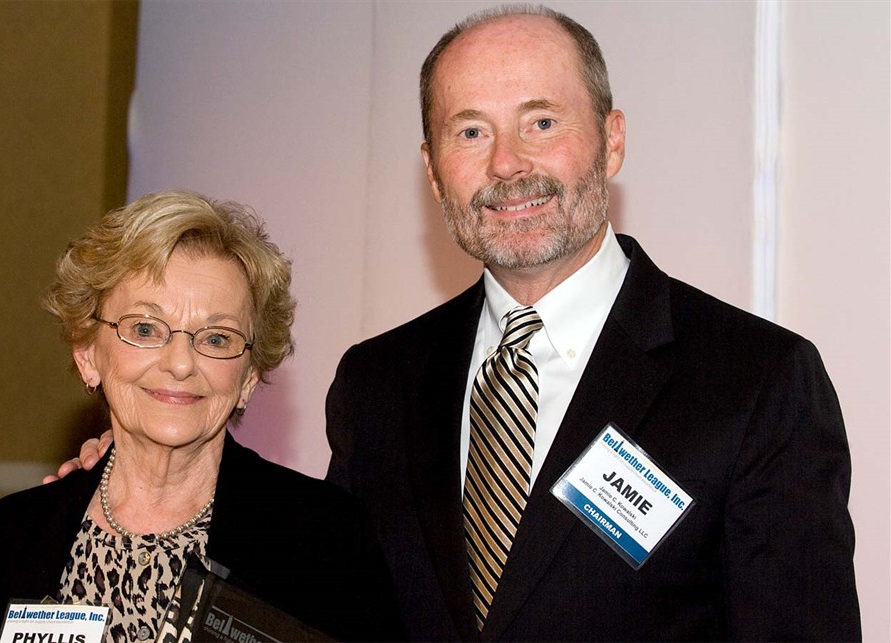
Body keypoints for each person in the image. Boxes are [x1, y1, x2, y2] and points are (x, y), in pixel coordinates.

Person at [60, 6, 861, 641]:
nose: (507, 164)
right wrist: (149, 485)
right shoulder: (380, 382)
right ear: (434, 170)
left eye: (541, 122)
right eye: (470, 131)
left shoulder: (755, 380)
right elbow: (315, 596)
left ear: (611, 142)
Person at [0, 191, 402, 642]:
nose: (181, 363)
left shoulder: (325, 541)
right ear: (87, 354)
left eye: (216, 338)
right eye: (145, 329)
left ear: (248, 376)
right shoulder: (1, 541)